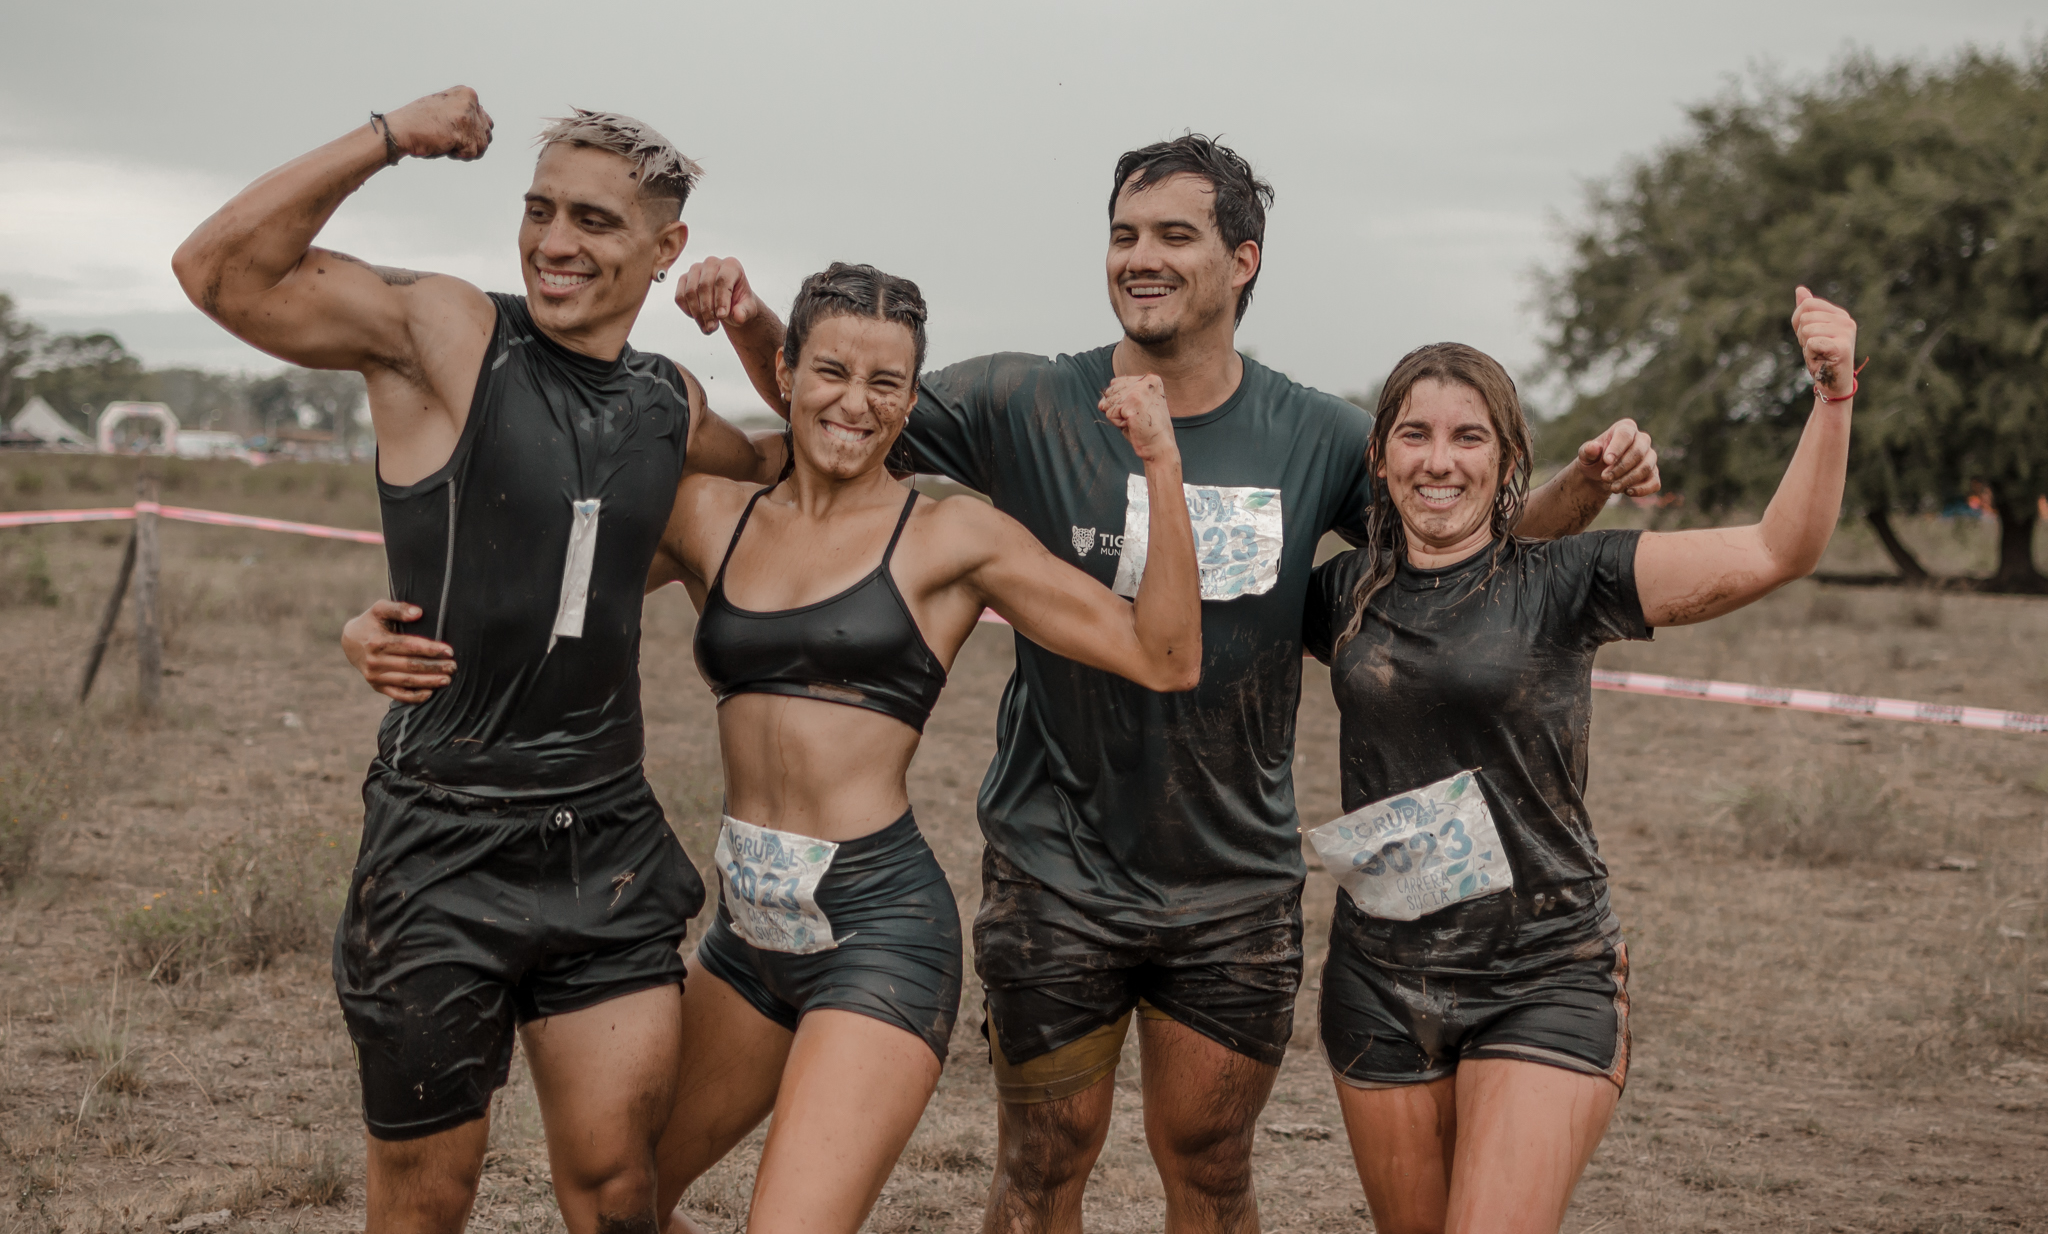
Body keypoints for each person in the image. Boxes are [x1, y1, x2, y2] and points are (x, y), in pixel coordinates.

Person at [679, 134, 1662, 1234]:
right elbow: (846, 413)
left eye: (1173, 236)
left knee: (1209, 1170)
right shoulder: (1023, 401)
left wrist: (1578, 485)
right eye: (1122, 235)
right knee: (1041, 1164)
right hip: (1055, 870)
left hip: (1231, 884)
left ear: (1241, 260)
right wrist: (753, 320)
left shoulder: (1317, 436)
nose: (1140, 258)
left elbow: (1467, 556)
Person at [353, 261, 1205, 1232]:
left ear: (910, 398)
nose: (856, 403)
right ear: (787, 372)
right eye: (832, 372)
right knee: (615, 1197)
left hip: (875, 931)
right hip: (744, 937)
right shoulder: (709, 515)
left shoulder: (951, 538)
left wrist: (1160, 464)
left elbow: (1165, 654)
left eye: (886, 384)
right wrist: (368, 629)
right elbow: (529, 595)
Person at [173, 89, 782, 1234]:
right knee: (426, 1205)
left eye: (595, 222)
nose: (554, 241)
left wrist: (751, 325)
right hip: (439, 847)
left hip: (603, 849)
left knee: (617, 1195)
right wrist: (387, 137)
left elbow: (793, 459)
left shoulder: (668, 399)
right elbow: (219, 272)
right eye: (539, 208)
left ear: (666, 250)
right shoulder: (451, 334)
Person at [1299, 292, 1858, 1234]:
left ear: (1509, 462)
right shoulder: (1340, 593)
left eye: (1469, 437)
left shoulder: (1568, 580)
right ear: (1380, 456)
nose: (1439, 460)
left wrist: (1833, 392)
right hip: (1379, 978)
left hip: (1541, 972)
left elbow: (1778, 548)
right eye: (1415, 434)